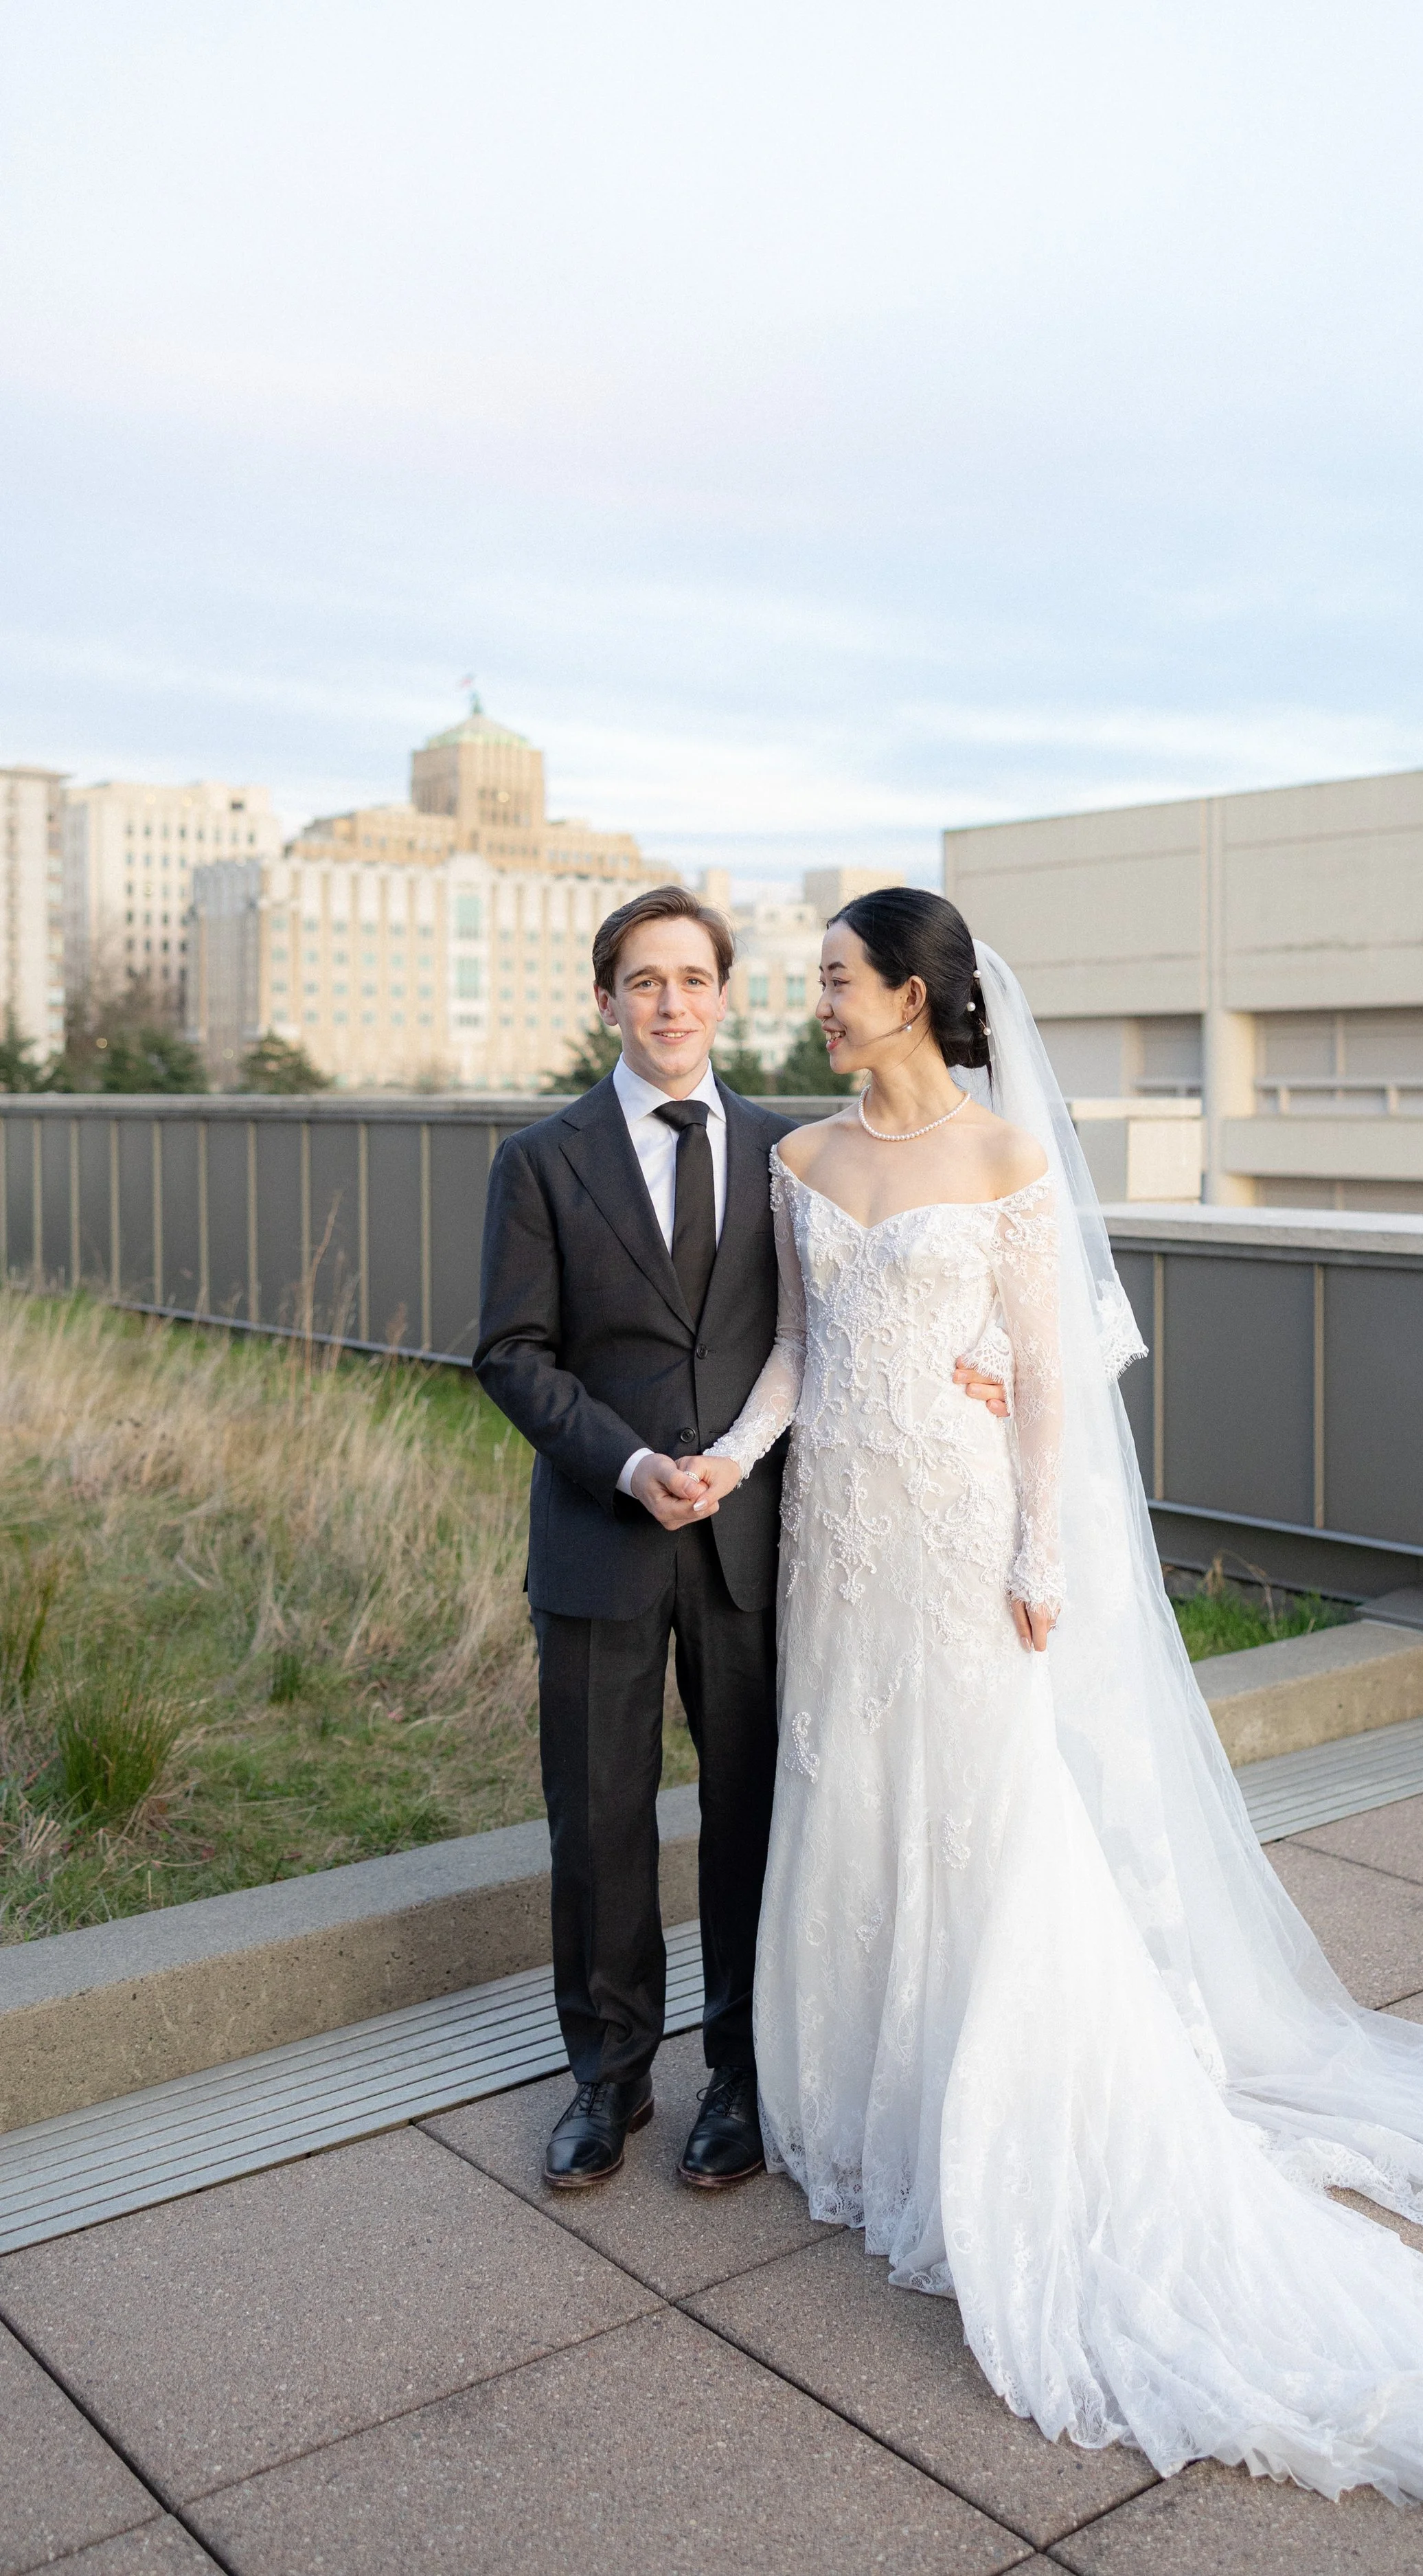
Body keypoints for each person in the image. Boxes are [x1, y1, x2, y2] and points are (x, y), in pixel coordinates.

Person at [680, 886, 1423, 2564]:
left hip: (955, 1538)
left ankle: (1001, 2097)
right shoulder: (798, 1164)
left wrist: (1033, 1544)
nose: (816, 1004)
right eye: (814, 982)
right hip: (836, 1536)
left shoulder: (1008, 1159)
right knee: (852, 1794)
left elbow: (1042, 1368)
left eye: (836, 981)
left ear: (916, 997)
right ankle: (861, 2088)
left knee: (982, 1813)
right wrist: (731, 1455)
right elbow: (801, 1357)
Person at [473, 885, 1010, 2195]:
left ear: (723, 996)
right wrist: (632, 1462)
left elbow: (851, 1315)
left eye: (693, 980)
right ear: (606, 999)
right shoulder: (540, 1161)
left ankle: (740, 2076)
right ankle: (607, 2080)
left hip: (761, 1548)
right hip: (603, 1539)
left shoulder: (795, 1149)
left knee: (756, 1814)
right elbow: (511, 1354)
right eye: (643, 982)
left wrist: (984, 1352)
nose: (670, 1005)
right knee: (595, 1821)